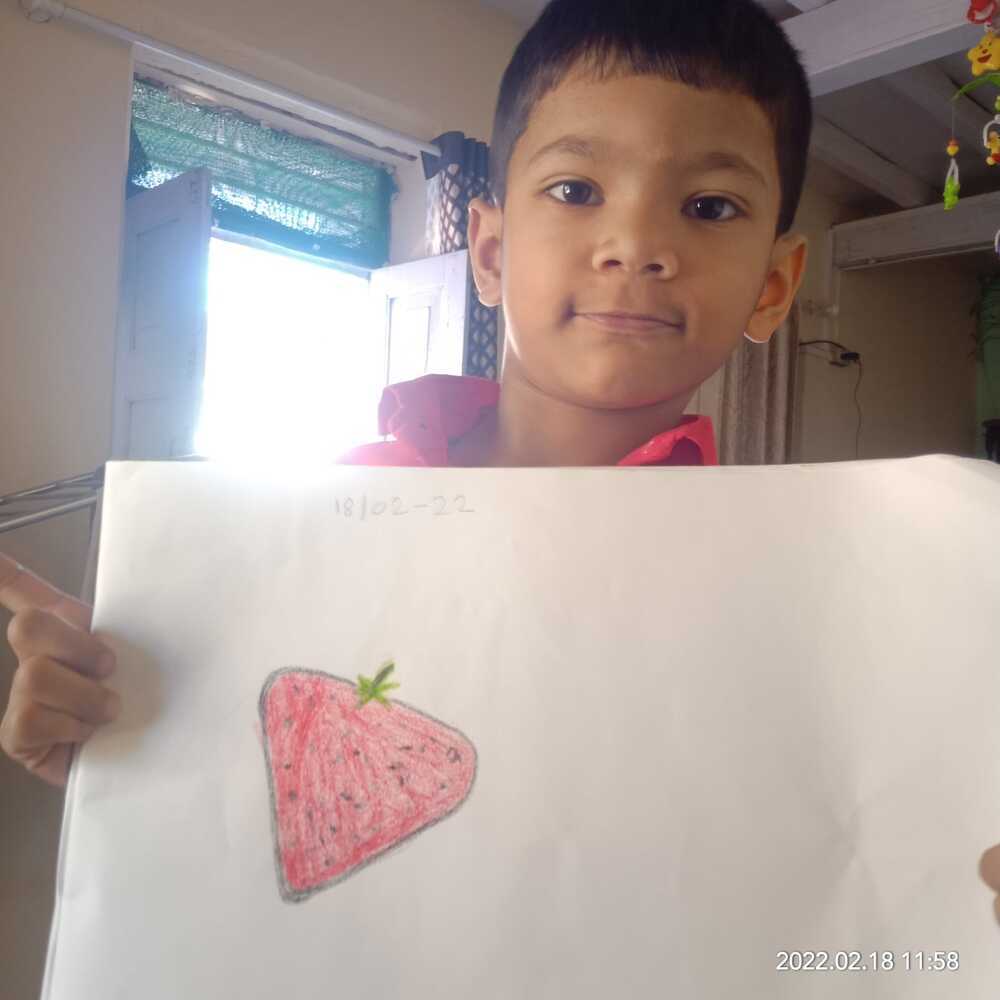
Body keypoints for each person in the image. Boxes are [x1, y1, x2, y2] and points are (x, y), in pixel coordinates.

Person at [2, 0, 999, 921]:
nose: (634, 243)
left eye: (708, 207)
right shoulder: (319, 518)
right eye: (576, 189)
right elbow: (258, 802)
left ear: (775, 286)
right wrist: (125, 737)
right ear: (487, 251)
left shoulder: (798, 590)